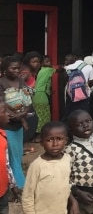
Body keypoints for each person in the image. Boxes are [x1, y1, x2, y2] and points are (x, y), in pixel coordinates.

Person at [22, 121, 78, 214]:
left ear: (66, 141)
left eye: (59, 139)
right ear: (41, 142)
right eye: (49, 140)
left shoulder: (67, 159)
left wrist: (73, 201)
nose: (55, 144)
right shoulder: (37, 165)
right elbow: (27, 195)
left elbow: (66, 184)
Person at [66, 110, 93, 214]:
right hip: (80, 192)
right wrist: (77, 192)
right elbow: (64, 175)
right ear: (71, 130)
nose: (85, 125)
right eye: (79, 124)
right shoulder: (71, 148)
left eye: (88, 121)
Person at [0, 56, 33, 191]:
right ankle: (20, 185)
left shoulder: (21, 81)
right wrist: (20, 117)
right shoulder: (1, 83)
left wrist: (23, 114)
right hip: (6, 124)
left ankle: (15, 183)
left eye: (18, 68)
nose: (16, 70)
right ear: (4, 70)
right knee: (11, 156)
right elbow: (2, 105)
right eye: (13, 68)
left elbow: (28, 100)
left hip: (18, 125)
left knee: (18, 155)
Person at [0, 97, 18, 214]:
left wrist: (13, 184)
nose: (8, 114)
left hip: (3, 190)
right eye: (4, 111)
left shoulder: (3, 136)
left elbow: (6, 164)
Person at [32, 55, 55, 142]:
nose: (49, 63)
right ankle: (40, 136)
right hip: (41, 95)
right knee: (44, 116)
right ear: (42, 64)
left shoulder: (40, 70)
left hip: (36, 94)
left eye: (50, 61)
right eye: (47, 62)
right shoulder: (49, 70)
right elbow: (59, 70)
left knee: (38, 115)